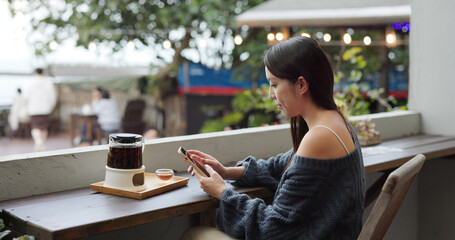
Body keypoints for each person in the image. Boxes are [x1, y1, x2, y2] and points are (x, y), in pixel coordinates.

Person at [181, 36, 366, 239]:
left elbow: (273, 229)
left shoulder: (320, 136)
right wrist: (227, 172)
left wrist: (222, 192)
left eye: (274, 84)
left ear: (301, 84)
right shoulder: (336, 124)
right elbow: (285, 166)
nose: (271, 94)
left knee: (193, 235)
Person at [25, 68, 57, 151]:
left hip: (33, 109)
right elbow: (52, 97)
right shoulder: (48, 82)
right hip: (45, 109)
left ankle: (38, 140)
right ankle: (42, 143)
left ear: (35, 72)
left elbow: (26, 97)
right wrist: (50, 107)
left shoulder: (30, 82)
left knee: (35, 127)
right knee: (44, 128)